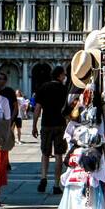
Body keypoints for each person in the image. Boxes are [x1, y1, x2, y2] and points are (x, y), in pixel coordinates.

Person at [33, 66, 69, 194]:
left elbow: (37, 108)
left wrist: (34, 125)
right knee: (59, 155)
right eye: (63, 75)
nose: (65, 77)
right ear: (59, 76)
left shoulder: (43, 88)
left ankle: (43, 178)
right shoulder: (65, 89)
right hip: (60, 125)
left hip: (46, 124)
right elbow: (68, 110)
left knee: (45, 153)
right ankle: (56, 184)